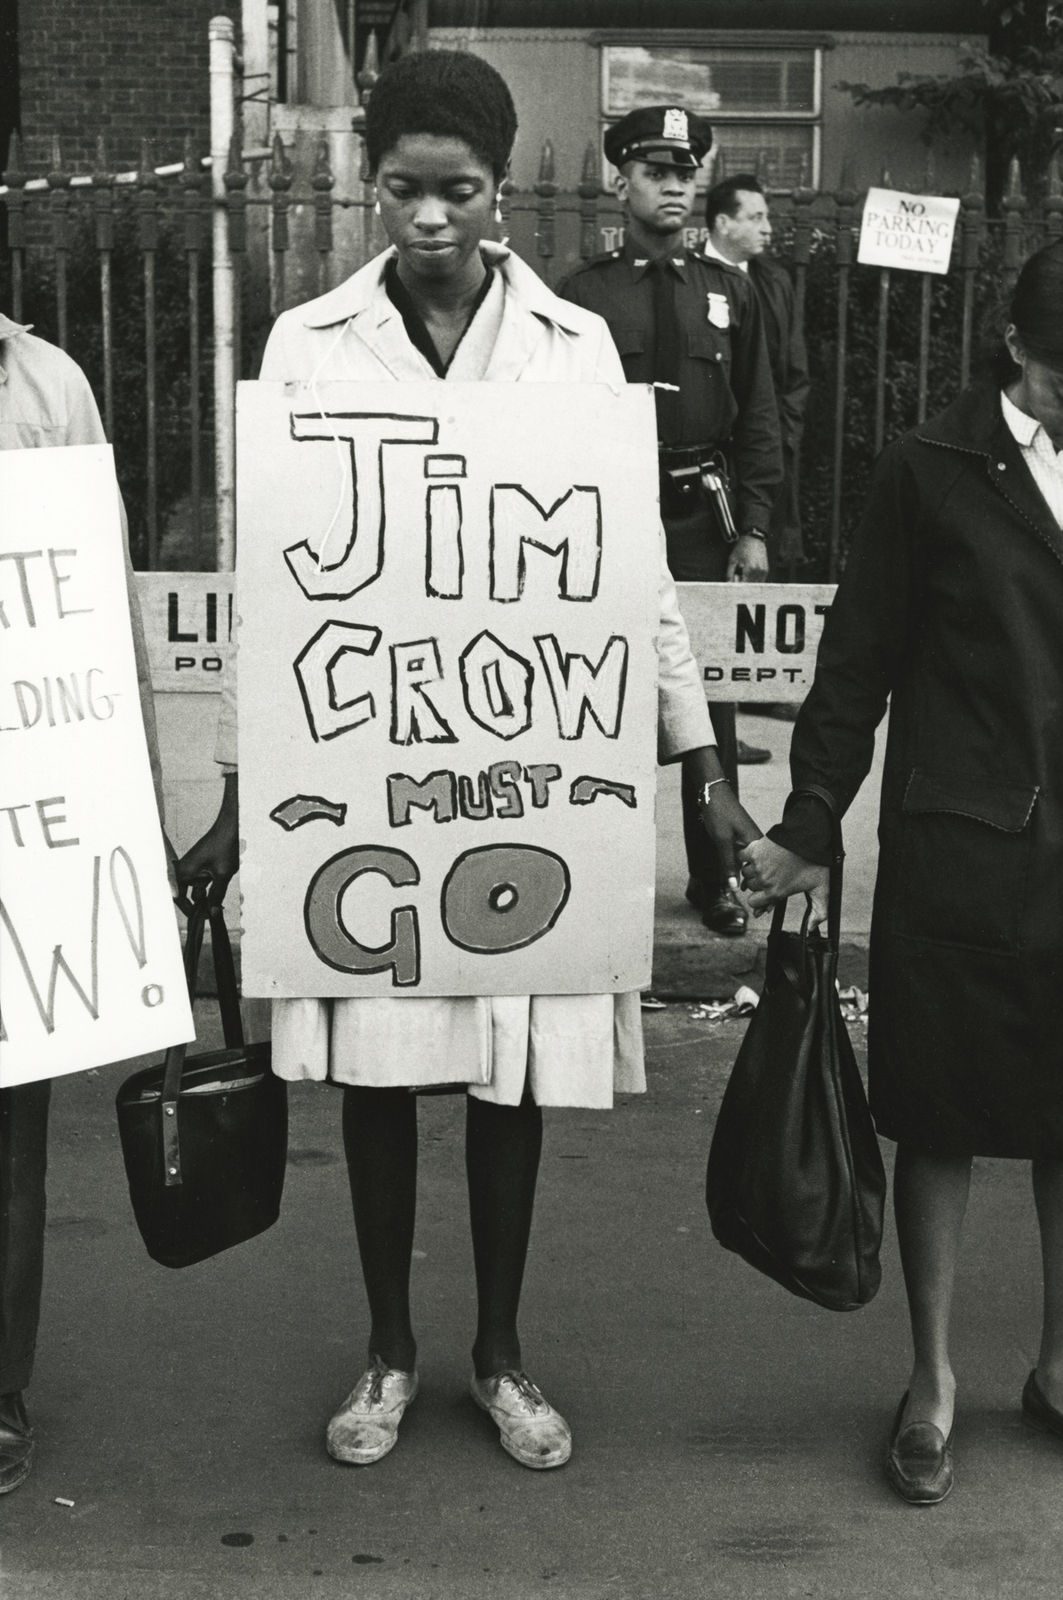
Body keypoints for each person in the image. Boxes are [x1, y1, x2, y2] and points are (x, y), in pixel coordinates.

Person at [178, 52, 759, 1473]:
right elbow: (274, 597)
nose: (427, 220)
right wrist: (247, 801)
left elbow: (627, 588)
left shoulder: (569, 350)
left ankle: (498, 1350)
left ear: (501, 192)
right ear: (368, 184)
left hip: (521, 773)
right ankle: (390, 1347)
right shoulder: (307, 345)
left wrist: (700, 763)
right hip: (369, 774)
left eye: (458, 193)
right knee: (380, 1072)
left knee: (510, 1072)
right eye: (399, 190)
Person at [739, 241, 1063, 1506]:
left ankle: (1053, 1366)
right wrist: (810, 816)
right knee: (939, 1112)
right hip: (961, 851)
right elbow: (856, 660)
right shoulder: (930, 470)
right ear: (1023, 358)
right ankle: (929, 1381)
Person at [0, 314, 164, 1494]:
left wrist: (130, 797)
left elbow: (91, 605)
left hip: (25, 803)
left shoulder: (44, 380)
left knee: (10, 1131)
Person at [560, 109, 782, 936]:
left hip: (698, 520)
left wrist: (753, 525)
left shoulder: (729, 292)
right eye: (656, 172)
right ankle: (588, 875)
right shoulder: (583, 296)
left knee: (707, 707)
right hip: (608, 520)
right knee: (594, 695)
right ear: (623, 182)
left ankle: (713, 875)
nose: (675, 186)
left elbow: (758, 414)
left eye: (686, 172)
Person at [703, 173, 810, 577]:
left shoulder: (776, 281)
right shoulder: (695, 278)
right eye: (756, 217)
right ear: (723, 223)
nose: (767, 228)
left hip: (766, 450)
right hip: (711, 458)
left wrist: (784, 439)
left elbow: (796, 373)